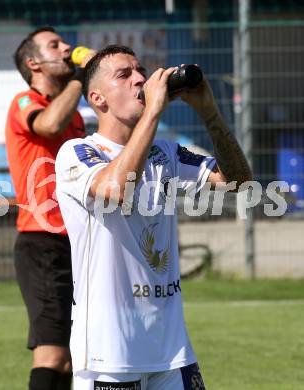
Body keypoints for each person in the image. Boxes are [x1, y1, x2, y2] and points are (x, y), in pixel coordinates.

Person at [55, 45, 252, 389]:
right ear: (97, 98)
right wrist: (154, 111)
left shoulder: (166, 152)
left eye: (140, 71)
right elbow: (115, 189)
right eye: (124, 74)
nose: (141, 79)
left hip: (172, 349)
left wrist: (210, 115)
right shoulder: (78, 152)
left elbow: (239, 183)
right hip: (111, 355)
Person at [5, 27, 93, 390]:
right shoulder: (24, 102)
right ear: (33, 62)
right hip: (43, 243)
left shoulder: (76, 116)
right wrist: (82, 77)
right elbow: (48, 124)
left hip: (79, 240)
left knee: (76, 354)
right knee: (52, 353)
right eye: (55, 45)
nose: (67, 48)